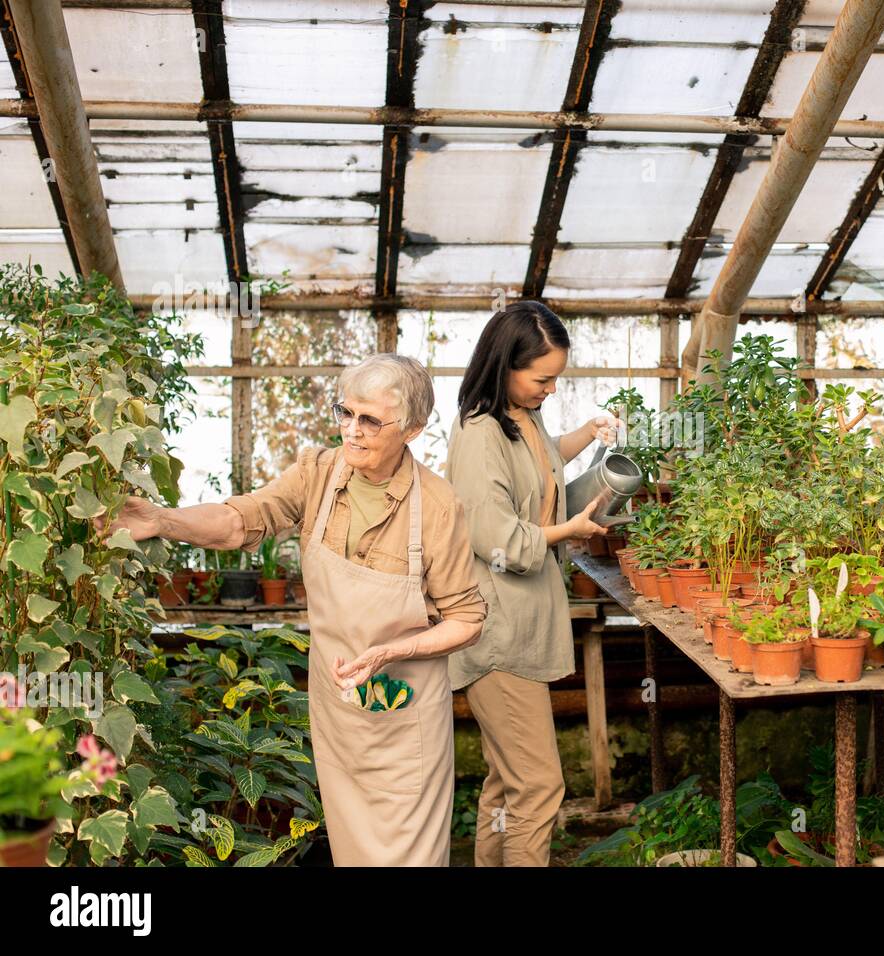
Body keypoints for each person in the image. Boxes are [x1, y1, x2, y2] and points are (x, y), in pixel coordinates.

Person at [105, 354, 485, 866]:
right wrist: (162, 519)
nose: (352, 431)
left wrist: (392, 650)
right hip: (340, 712)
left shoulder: (438, 507)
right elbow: (242, 521)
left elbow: (467, 620)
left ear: (413, 428)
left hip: (404, 722)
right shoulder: (319, 474)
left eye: (370, 420)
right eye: (344, 413)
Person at [448, 301, 620, 867]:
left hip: (523, 630)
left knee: (505, 782)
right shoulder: (478, 433)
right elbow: (493, 535)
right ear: (504, 364)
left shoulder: (524, 417)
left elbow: (543, 462)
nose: (549, 389)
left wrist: (589, 433)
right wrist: (567, 530)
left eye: (556, 379)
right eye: (541, 378)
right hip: (498, 635)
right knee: (540, 787)